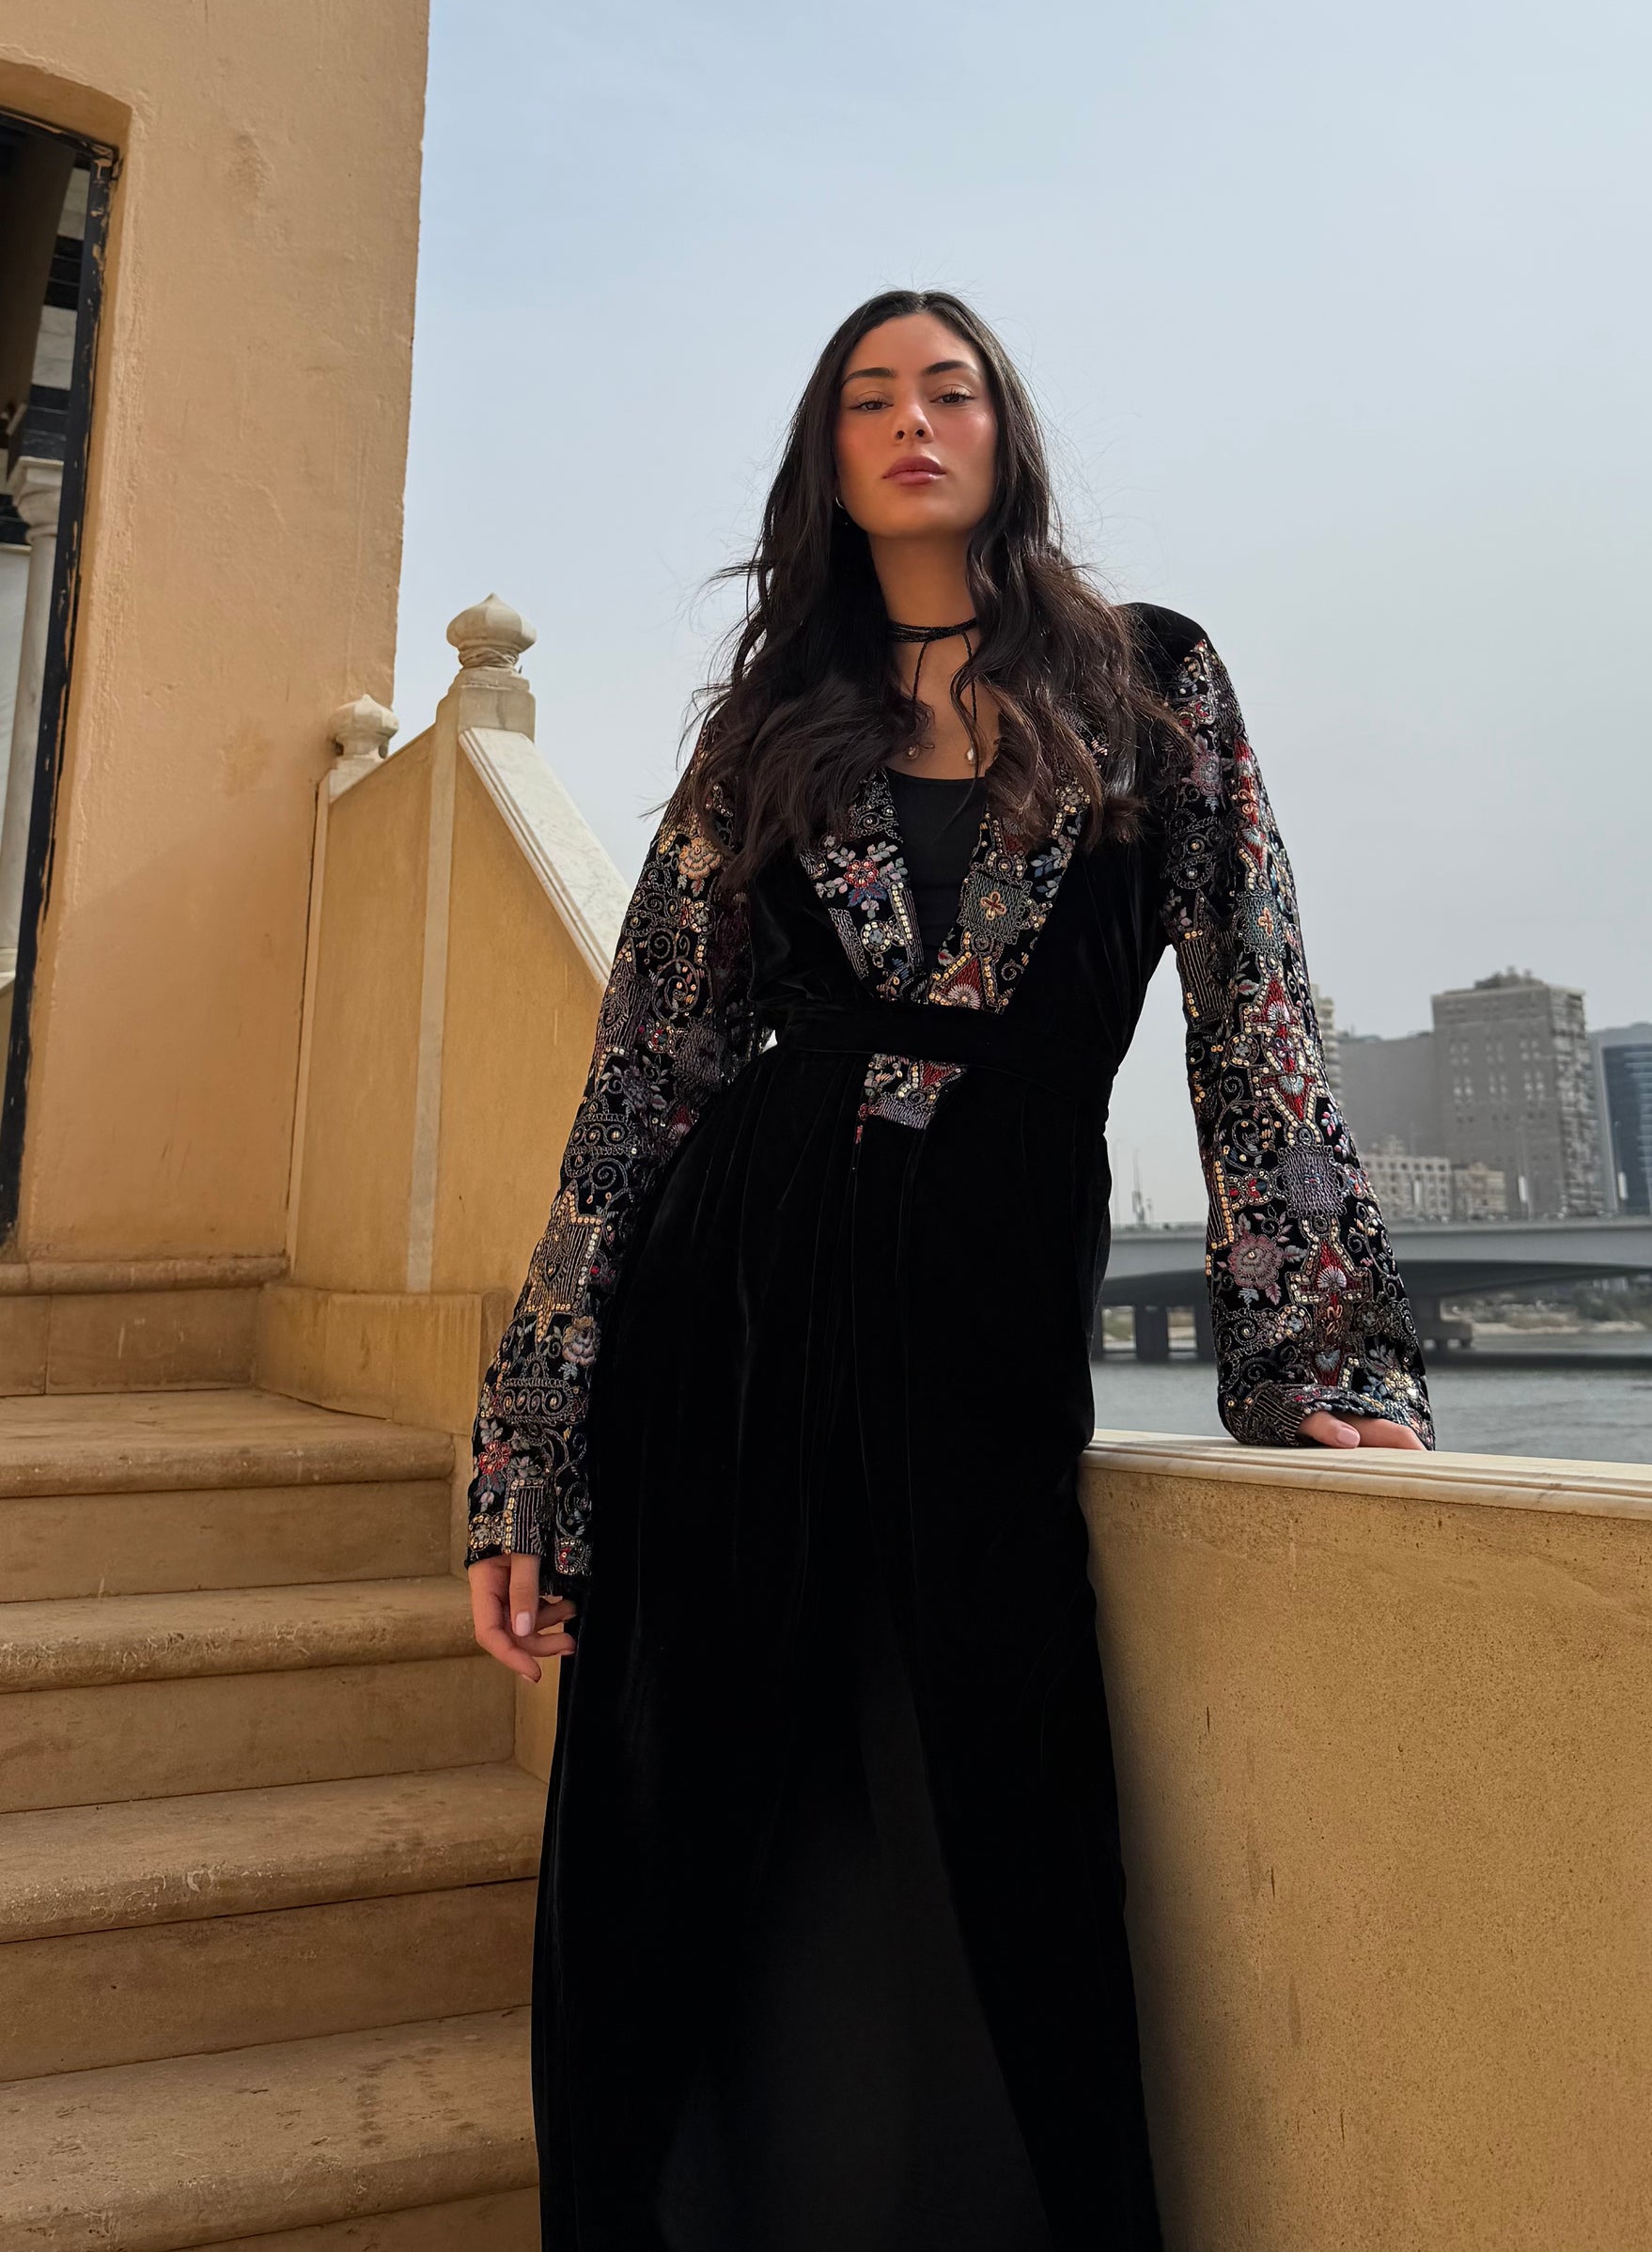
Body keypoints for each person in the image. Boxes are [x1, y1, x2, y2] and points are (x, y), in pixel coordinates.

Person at [467, 287, 1431, 2252]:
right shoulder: (766, 730)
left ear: (1005, 430)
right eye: (868, 396)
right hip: (728, 1307)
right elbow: (642, 1082)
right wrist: (530, 1450)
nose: (913, 419)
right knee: (696, 1802)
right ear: (826, 458)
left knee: (996, 1795)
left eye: (952, 387)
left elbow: (1252, 1010)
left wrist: (1315, 1350)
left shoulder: (1146, 678)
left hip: (984, 1289)